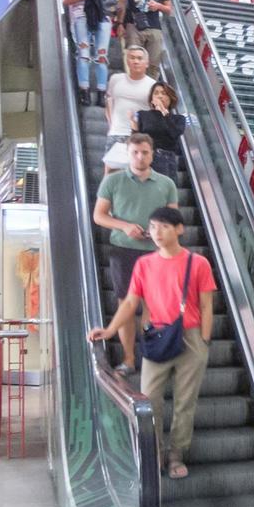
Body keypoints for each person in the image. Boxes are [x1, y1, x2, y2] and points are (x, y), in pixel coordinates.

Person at [90, 205, 214, 479]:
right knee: (150, 399)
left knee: (185, 401)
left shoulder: (198, 263)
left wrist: (204, 341)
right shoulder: (144, 265)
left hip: (190, 337)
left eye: (164, 227)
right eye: (153, 226)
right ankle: (154, 451)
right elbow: (131, 302)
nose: (156, 232)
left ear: (179, 229)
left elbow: (207, 305)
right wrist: (110, 330)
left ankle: (176, 455)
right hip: (156, 336)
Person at [92, 134, 178, 376]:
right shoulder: (112, 181)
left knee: (154, 307)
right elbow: (99, 216)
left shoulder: (166, 184)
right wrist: (124, 226)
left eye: (145, 152)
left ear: (152, 154)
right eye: (135, 152)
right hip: (123, 251)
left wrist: (159, 232)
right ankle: (129, 360)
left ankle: (152, 357)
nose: (140, 157)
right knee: (126, 306)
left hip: (156, 253)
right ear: (128, 154)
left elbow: (174, 220)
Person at [61, 0, 114, 107]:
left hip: (101, 17)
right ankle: (83, 89)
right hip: (81, 17)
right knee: (83, 53)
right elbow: (64, 0)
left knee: (102, 56)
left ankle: (101, 92)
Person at [103, 46, 156, 173]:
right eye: (132, 58)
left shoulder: (153, 85)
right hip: (115, 134)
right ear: (127, 60)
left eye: (139, 58)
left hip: (138, 138)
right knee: (110, 175)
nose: (136, 61)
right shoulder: (116, 79)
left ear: (147, 63)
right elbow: (109, 101)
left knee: (135, 175)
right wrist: (111, 125)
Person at [132, 82, 186, 180]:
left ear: (170, 98)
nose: (160, 96)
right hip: (144, 159)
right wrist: (134, 129)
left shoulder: (178, 119)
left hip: (166, 160)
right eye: (156, 93)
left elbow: (175, 133)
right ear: (152, 99)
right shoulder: (142, 115)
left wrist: (164, 113)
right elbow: (136, 140)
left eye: (164, 93)